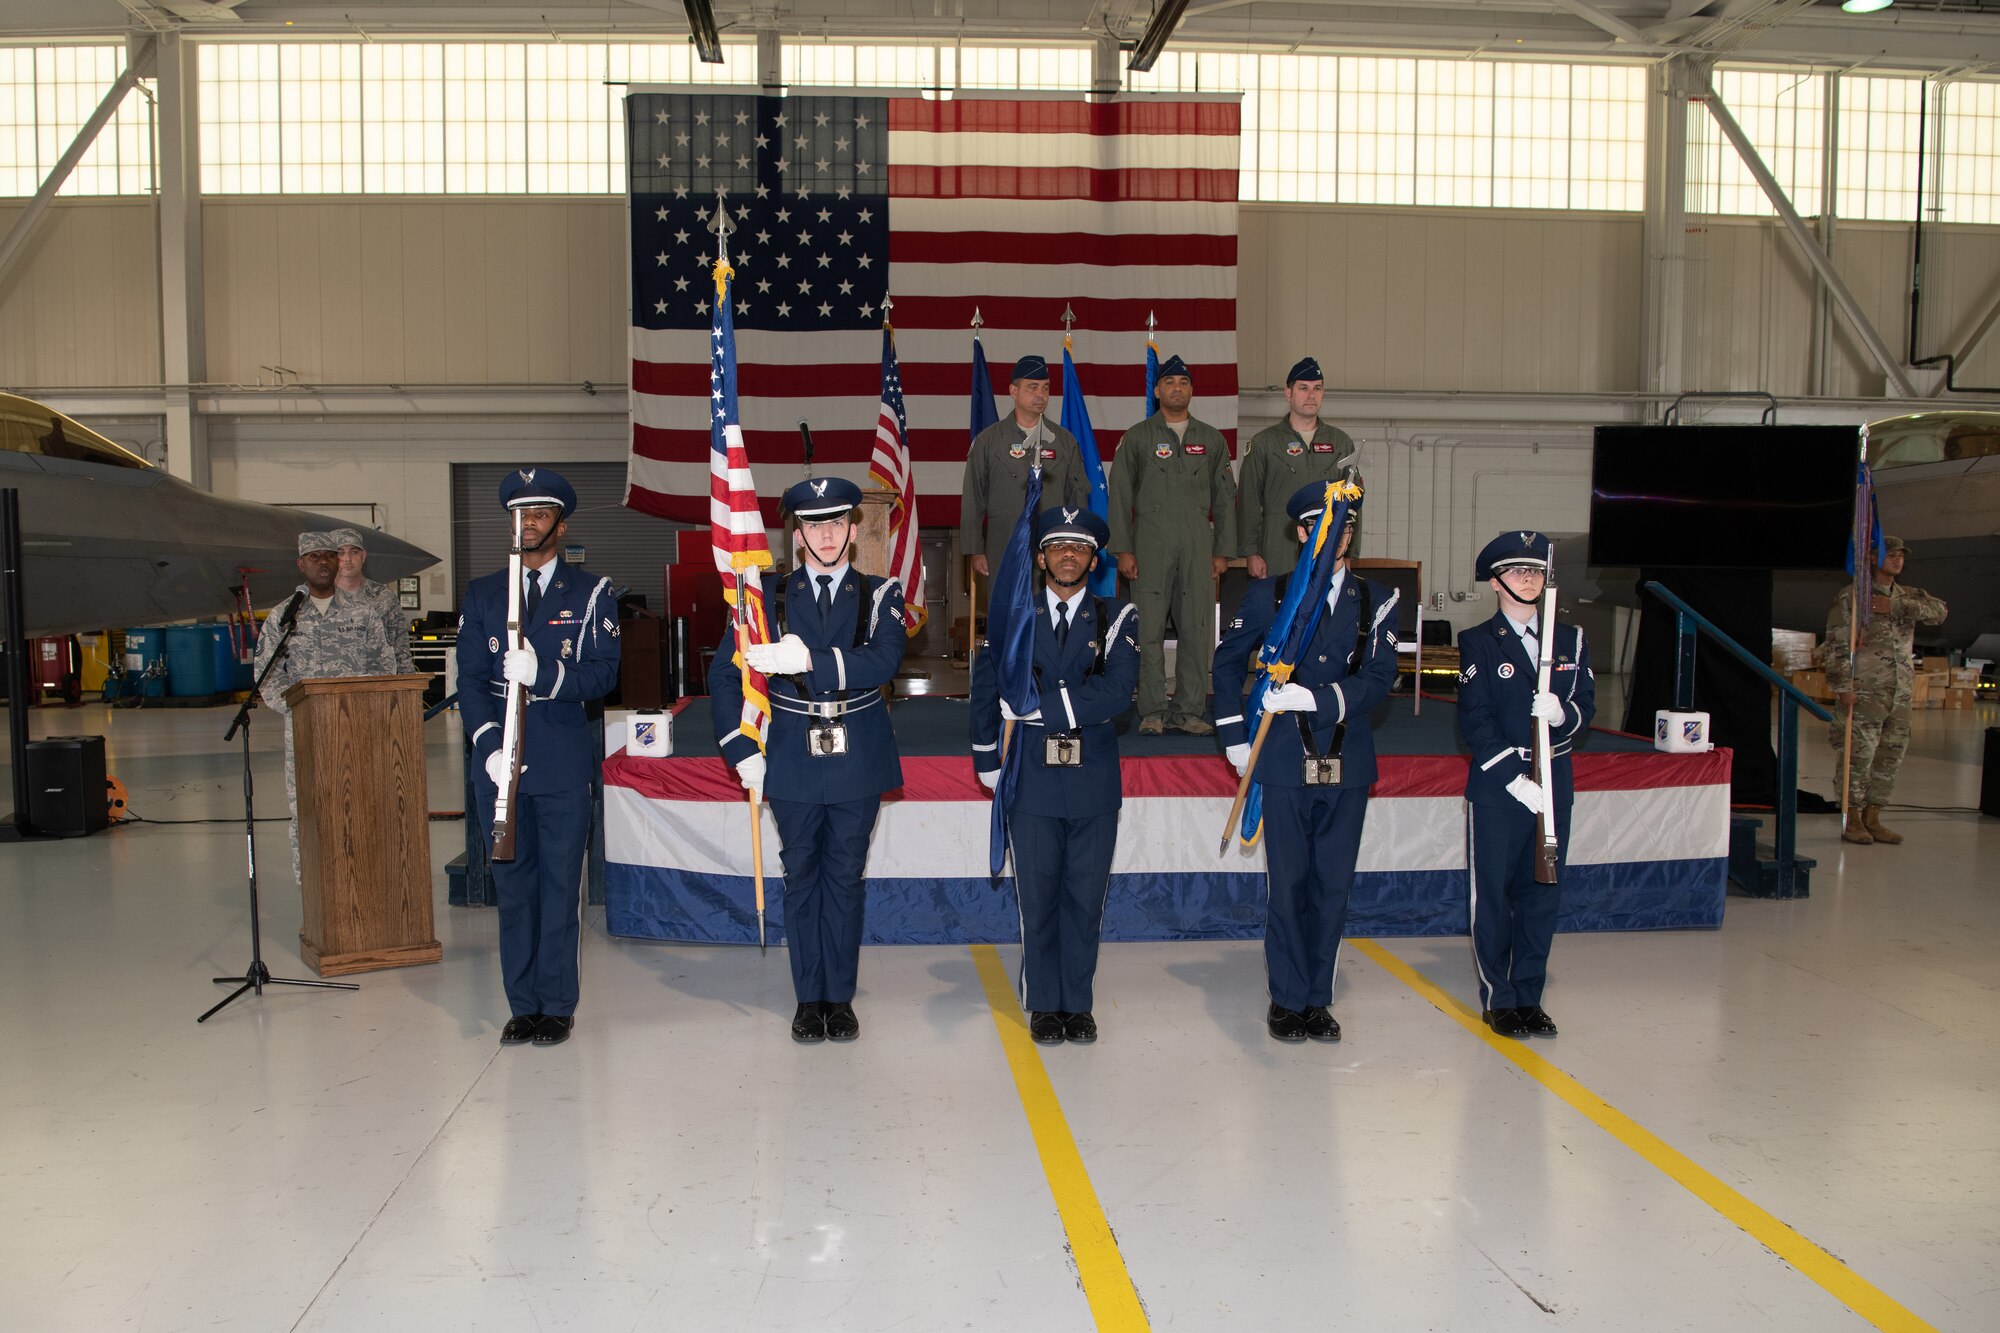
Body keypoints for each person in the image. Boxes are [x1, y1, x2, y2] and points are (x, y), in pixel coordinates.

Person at [710, 476, 908, 1045]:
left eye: (836, 523)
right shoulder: (765, 600)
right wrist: (741, 749)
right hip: (791, 751)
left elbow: (883, 662)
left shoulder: (880, 595)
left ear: (852, 528)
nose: (825, 534)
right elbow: (726, 675)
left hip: (857, 750)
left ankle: (838, 998)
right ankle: (807, 998)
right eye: (813, 524)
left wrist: (810, 660)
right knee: (801, 876)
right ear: (797, 535)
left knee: (844, 876)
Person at [1214, 482, 1398, 1043]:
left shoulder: (1375, 599)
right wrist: (1233, 738)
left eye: (1345, 525)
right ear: (1301, 533)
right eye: (1324, 525)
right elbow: (1226, 665)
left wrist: (1317, 699)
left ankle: (1319, 998)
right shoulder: (1270, 596)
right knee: (1289, 883)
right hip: (1284, 759)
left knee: (1332, 885)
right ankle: (1287, 998)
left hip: (1347, 760)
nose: (1337, 535)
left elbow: (1378, 679)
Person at [457, 468, 620, 1049]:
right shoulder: (481, 593)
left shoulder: (591, 592)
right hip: (498, 766)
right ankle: (521, 1004)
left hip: (559, 761)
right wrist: (486, 744)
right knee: (514, 890)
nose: (528, 524)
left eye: (540, 514)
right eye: (520, 514)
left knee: (558, 888)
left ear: (560, 523)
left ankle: (556, 1005)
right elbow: (470, 680)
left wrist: (545, 674)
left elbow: (604, 673)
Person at [971, 506, 1140, 1044]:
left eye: (1081, 547)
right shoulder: (1013, 617)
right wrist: (984, 759)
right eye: (1058, 546)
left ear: (1094, 560)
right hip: (1031, 775)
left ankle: (1078, 1003)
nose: (1069, 555)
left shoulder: (1118, 617)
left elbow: (1117, 693)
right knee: (1038, 895)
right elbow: (986, 687)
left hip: (1092, 776)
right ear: (1040, 556)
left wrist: (1041, 709)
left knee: (1086, 898)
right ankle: (1045, 1003)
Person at [1455, 531, 1595, 1041]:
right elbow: (1476, 722)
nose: (1529, 580)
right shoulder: (1477, 643)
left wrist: (1564, 714)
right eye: (1517, 573)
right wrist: (1513, 779)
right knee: (1492, 895)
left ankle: (1530, 996)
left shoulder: (1570, 640)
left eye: (1535, 572)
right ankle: (1500, 997)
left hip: (1555, 778)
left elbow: (1587, 709)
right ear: (1496, 583)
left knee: (1542, 893)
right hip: (1501, 784)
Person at [254, 531, 407, 890]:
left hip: (359, 733)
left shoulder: (364, 614)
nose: (323, 562)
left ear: (338, 562)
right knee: (308, 813)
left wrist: (368, 712)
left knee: (363, 809)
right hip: (305, 734)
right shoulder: (283, 616)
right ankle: (312, 891)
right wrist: (299, 712)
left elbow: (385, 668)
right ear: (300, 564)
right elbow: (268, 677)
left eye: (329, 555)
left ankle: (364, 885)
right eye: (314, 557)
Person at [1107, 353, 1237, 736]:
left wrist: (1222, 552)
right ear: (1157, 389)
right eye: (1169, 382)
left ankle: (1190, 709)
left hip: (1198, 545)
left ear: (1192, 391)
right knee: (1147, 628)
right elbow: (1119, 494)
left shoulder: (1210, 439)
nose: (1176, 388)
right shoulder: (1138, 437)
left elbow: (1226, 497)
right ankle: (1152, 710)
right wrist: (1123, 549)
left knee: (1196, 628)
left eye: (1183, 383)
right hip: (1149, 545)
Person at [1825, 534, 1948, 845]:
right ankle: (1851, 817)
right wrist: (1842, 687)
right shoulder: (1852, 598)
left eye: (1900, 555)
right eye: (1890, 553)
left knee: (1891, 754)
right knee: (1858, 756)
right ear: (1871, 558)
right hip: (1865, 691)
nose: (1897, 559)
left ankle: (1873, 816)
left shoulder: (1907, 596)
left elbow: (1940, 612)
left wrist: (1896, 606)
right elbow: (1837, 643)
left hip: (1900, 692)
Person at [960, 355, 1092, 581]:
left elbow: (1078, 496)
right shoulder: (989, 441)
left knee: (1050, 613)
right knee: (1006, 612)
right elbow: (974, 497)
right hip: (1003, 545)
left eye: (1046, 388)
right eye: (1032, 387)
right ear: (1013, 391)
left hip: (1053, 548)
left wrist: (1080, 545)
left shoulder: (1064, 441)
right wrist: (975, 549)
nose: (1041, 395)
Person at [1237, 357, 1359, 580]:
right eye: (1303, 388)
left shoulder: (1341, 443)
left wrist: (1350, 553)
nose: (1311, 395)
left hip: (1328, 546)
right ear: (1288, 393)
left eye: (1317, 388)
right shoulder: (1265, 443)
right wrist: (1250, 552)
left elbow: (1352, 501)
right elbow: (1249, 501)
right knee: (1279, 609)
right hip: (1277, 548)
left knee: (1324, 611)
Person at [330, 526, 415, 674]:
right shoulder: (319, 598)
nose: (347, 559)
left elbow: (401, 649)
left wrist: (408, 689)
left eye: (354, 552)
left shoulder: (384, 597)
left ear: (363, 556)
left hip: (377, 685)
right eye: (340, 553)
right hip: (331, 686)